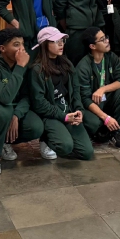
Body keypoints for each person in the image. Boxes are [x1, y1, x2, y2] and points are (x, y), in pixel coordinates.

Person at [0, 28, 45, 175]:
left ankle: (3, 142)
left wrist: (16, 115)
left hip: (13, 110)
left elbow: (26, 96)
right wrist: (20, 67)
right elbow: (5, 97)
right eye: (16, 45)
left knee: (35, 126)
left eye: (22, 44)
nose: (22, 49)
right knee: (3, 112)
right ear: (2, 48)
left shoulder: (23, 65)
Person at [29, 27, 93, 161]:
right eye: (55, 41)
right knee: (65, 147)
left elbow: (76, 91)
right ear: (45, 44)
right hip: (50, 115)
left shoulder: (66, 63)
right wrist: (63, 117)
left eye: (62, 40)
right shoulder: (37, 69)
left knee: (87, 152)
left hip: (69, 111)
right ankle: (46, 140)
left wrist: (79, 110)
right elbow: (39, 103)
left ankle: (63, 136)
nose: (61, 44)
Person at [75, 27, 120, 149]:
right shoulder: (83, 67)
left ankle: (116, 132)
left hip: (106, 99)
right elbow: (85, 99)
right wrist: (105, 118)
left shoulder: (111, 57)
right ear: (92, 46)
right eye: (102, 40)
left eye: (106, 37)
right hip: (91, 105)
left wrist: (103, 89)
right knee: (94, 123)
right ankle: (98, 132)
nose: (107, 41)